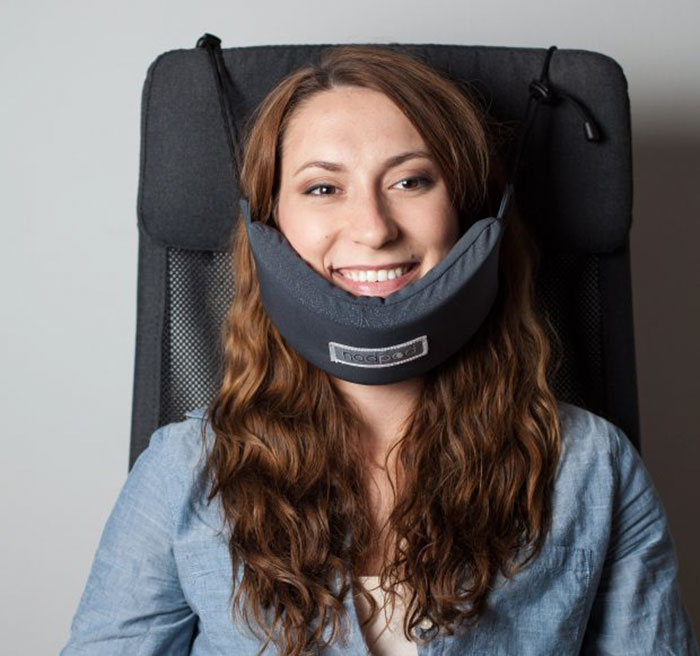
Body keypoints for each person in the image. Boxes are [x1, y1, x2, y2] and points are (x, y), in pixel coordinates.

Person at [61, 45, 699, 656]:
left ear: (473, 216)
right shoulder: (181, 471)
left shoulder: (593, 469)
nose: (372, 228)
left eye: (411, 181)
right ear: (269, 227)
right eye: (322, 188)